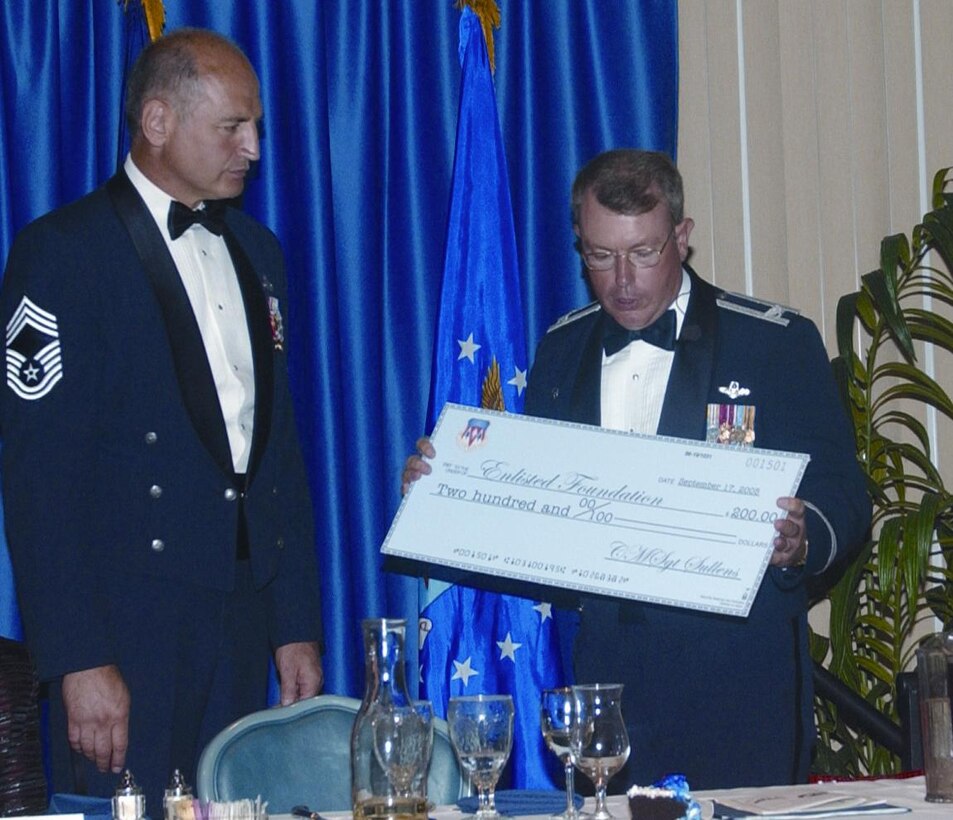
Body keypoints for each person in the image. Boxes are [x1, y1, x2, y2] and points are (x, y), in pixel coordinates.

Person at [402, 149, 870, 789]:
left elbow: (843, 494)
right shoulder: (560, 350)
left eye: (643, 253)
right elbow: (531, 506)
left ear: (682, 236)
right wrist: (445, 490)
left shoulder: (772, 342)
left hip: (736, 681)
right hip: (602, 680)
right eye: (600, 256)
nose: (622, 280)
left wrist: (803, 537)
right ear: (579, 244)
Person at [0, 28, 323, 808]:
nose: (252, 148)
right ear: (156, 122)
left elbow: (274, 454)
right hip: (127, 625)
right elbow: (40, 479)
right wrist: (78, 658)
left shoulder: (258, 251)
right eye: (232, 127)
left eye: (256, 126)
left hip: (241, 614)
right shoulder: (63, 253)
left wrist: (293, 623)